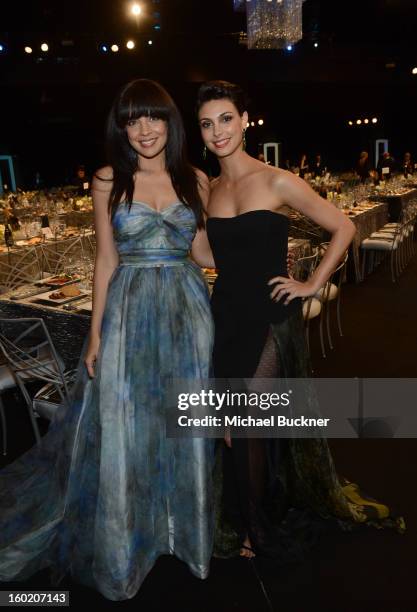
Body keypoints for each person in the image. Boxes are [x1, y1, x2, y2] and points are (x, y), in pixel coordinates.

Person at [0, 79, 217, 601]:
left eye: (153, 117)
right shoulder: (107, 180)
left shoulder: (196, 179)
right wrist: (95, 334)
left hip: (188, 313)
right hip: (127, 309)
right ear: (121, 127)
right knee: (127, 422)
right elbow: (105, 259)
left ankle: (181, 535)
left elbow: (205, 251)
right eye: (131, 120)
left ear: (171, 122)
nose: (143, 129)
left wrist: (258, 251)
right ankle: (128, 545)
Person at [196, 80, 402, 561]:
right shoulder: (211, 190)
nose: (218, 131)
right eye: (207, 123)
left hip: (271, 316)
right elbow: (208, 253)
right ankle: (255, 508)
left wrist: (311, 285)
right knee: (233, 427)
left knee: (247, 421)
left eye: (226, 118)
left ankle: (256, 528)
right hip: (226, 315)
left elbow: (344, 227)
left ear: (246, 120)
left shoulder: (277, 180)